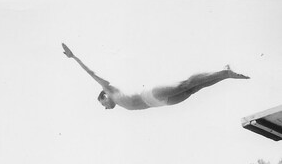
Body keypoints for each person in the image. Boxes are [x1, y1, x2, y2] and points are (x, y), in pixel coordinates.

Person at [62, 43, 250, 110]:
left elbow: (91, 73)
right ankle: (226, 75)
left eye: (102, 104)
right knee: (192, 90)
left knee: (186, 83)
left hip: (149, 94)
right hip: (159, 104)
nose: (105, 108)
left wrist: (74, 57)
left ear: (103, 96)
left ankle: (224, 71)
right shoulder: (119, 104)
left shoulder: (109, 90)